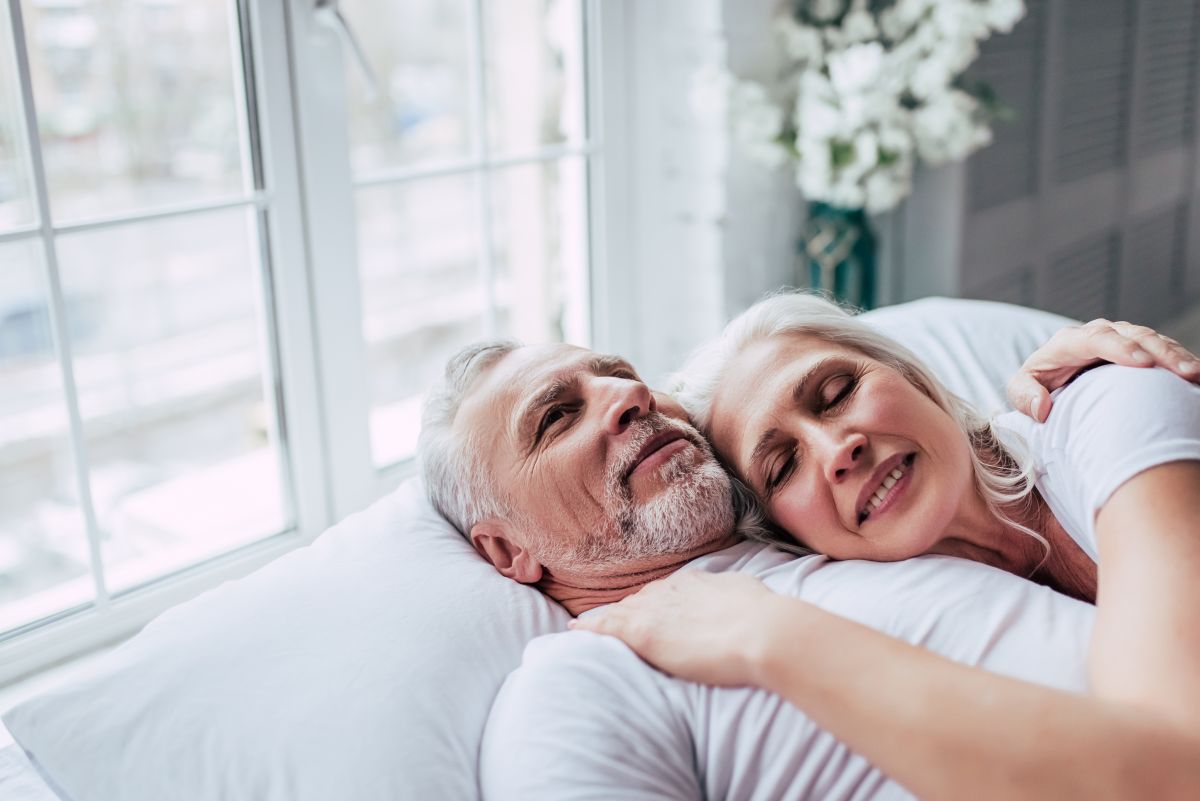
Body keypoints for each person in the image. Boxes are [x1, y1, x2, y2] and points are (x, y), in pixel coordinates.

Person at [419, 314, 1199, 800]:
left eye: (620, 376)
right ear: (505, 548)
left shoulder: (837, 528)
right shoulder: (583, 678)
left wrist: (1061, 401)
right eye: (557, 416)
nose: (627, 397)